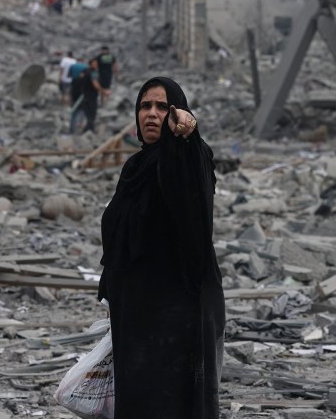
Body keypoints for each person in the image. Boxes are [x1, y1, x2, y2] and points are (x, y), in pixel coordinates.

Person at [97, 77, 224, 419]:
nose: (152, 114)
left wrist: (189, 131)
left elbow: (187, 186)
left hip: (178, 312)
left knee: (174, 401)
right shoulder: (135, 167)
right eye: (144, 106)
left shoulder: (189, 156)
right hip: (137, 313)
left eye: (162, 107)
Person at [69, 58, 104, 134]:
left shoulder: (83, 71)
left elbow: (73, 78)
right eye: (95, 64)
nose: (96, 65)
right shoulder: (92, 72)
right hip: (90, 97)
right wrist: (103, 91)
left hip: (80, 95)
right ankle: (88, 129)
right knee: (90, 114)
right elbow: (95, 84)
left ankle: (74, 129)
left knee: (77, 112)